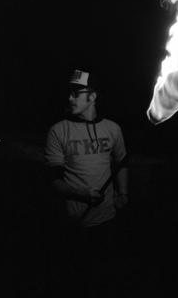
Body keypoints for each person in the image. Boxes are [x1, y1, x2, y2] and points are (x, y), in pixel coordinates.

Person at [44, 69, 128, 297]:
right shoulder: (57, 131)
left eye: (76, 93)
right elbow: (54, 181)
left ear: (93, 96)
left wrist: (123, 194)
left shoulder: (112, 129)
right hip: (73, 226)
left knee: (105, 282)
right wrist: (82, 195)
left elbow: (121, 163)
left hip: (107, 223)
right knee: (75, 283)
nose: (69, 98)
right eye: (68, 93)